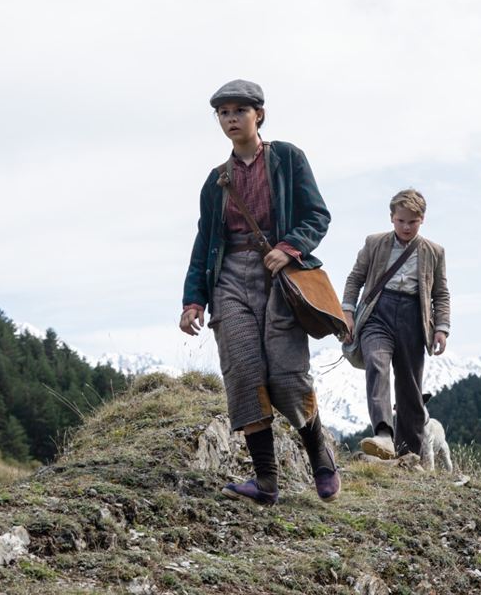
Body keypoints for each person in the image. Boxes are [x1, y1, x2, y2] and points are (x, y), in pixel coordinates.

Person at [180, 78, 340, 506]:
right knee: (244, 374)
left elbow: (317, 216)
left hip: (281, 278)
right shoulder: (216, 182)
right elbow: (204, 243)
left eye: (239, 111)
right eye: (223, 113)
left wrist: (288, 249)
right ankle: (266, 482)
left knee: (287, 375)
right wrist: (193, 299)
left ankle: (320, 457)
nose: (231, 119)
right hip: (230, 278)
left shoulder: (288, 158)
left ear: (259, 115)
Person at [342, 189, 451, 461]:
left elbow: (441, 293)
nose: (406, 227)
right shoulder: (374, 243)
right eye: (401, 220)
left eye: (412, 222)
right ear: (392, 218)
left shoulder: (434, 251)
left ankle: (409, 455)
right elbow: (355, 278)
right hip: (377, 312)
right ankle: (383, 435)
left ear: (422, 220)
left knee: (410, 387)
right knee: (376, 366)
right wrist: (347, 312)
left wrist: (441, 327)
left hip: (414, 317)